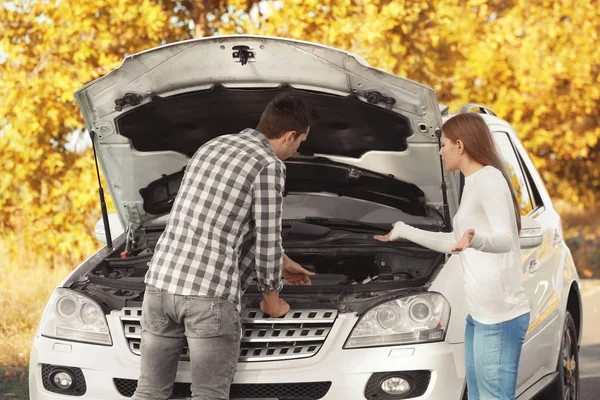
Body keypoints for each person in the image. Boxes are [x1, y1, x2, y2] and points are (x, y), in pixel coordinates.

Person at [132, 93, 316, 400]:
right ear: (289, 135)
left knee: (149, 392)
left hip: (160, 285)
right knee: (208, 395)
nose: (299, 150)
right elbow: (268, 237)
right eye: (301, 142)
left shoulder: (213, 145)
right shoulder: (268, 165)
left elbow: (215, 216)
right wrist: (272, 298)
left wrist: (284, 262)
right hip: (208, 293)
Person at [374, 112, 531, 400]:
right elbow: (453, 242)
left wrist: (476, 239)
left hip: (499, 317)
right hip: (480, 315)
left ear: (460, 146)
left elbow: (505, 239)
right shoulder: (472, 181)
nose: (440, 151)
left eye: (444, 144)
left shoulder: (489, 179)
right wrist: (405, 231)